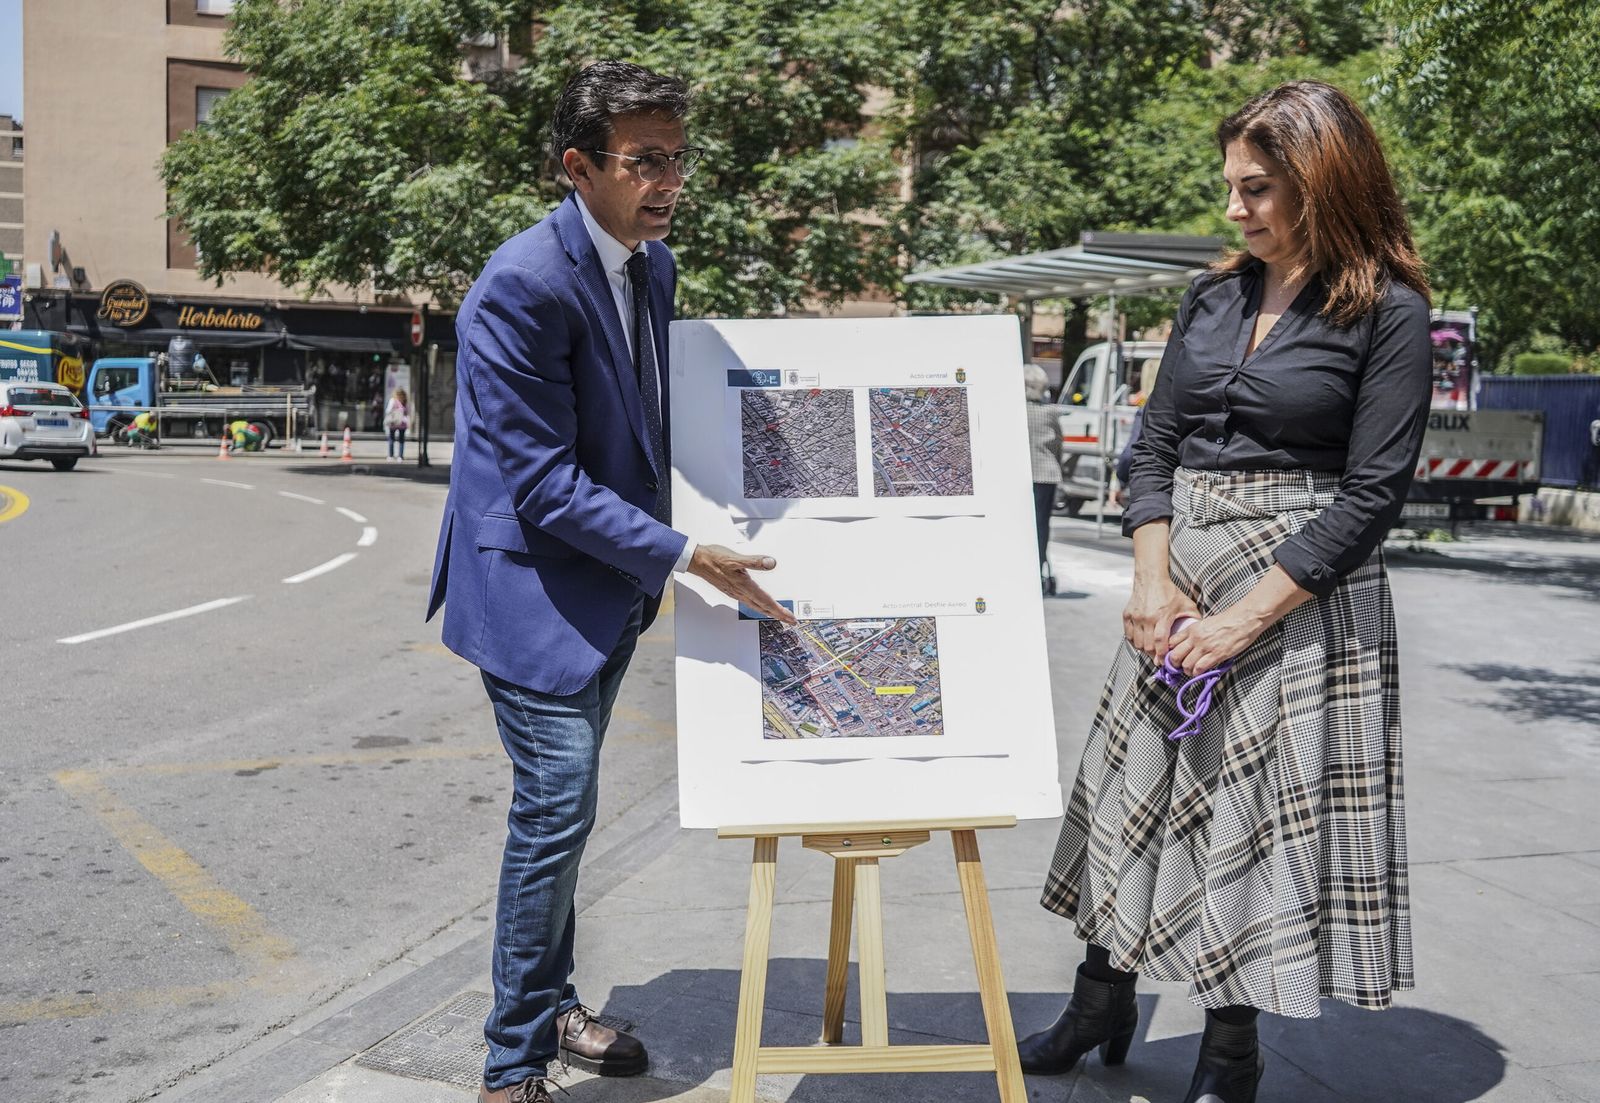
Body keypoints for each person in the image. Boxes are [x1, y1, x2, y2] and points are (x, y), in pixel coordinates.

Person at [1019, 80, 1432, 1103]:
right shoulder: (1213, 294)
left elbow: (1374, 493)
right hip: (1176, 580)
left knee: (1244, 818)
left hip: (1293, 594)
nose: (1236, 210)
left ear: (1320, 182)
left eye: (1257, 189)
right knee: (1135, 799)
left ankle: (1229, 1046)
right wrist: (1150, 578)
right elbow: (1153, 445)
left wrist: (1242, 619)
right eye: (1231, 189)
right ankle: (1099, 995)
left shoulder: (1387, 310)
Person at [425, 61, 795, 1103]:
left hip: (612, 585)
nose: (668, 180)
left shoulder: (652, 263)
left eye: (676, 158)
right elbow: (540, 480)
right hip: (529, 591)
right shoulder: (521, 283)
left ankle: (552, 1005)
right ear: (578, 166)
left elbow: (643, 422)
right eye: (645, 162)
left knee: (567, 810)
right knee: (554, 805)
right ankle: (510, 1063)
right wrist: (684, 555)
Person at [1023, 363, 1063, 594]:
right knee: (1041, 526)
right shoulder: (1050, 413)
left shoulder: (1014, 412)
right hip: (1046, 475)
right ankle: (1037, 570)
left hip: (1023, 476)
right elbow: (1058, 444)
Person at [384, 386, 410, 462]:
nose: (400, 396)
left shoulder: (394, 401)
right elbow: (407, 413)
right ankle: (397, 456)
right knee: (398, 439)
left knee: (394, 439)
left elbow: (388, 411)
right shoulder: (403, 402)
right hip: (399, 422)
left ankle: (394, 456)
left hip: (396, 422)